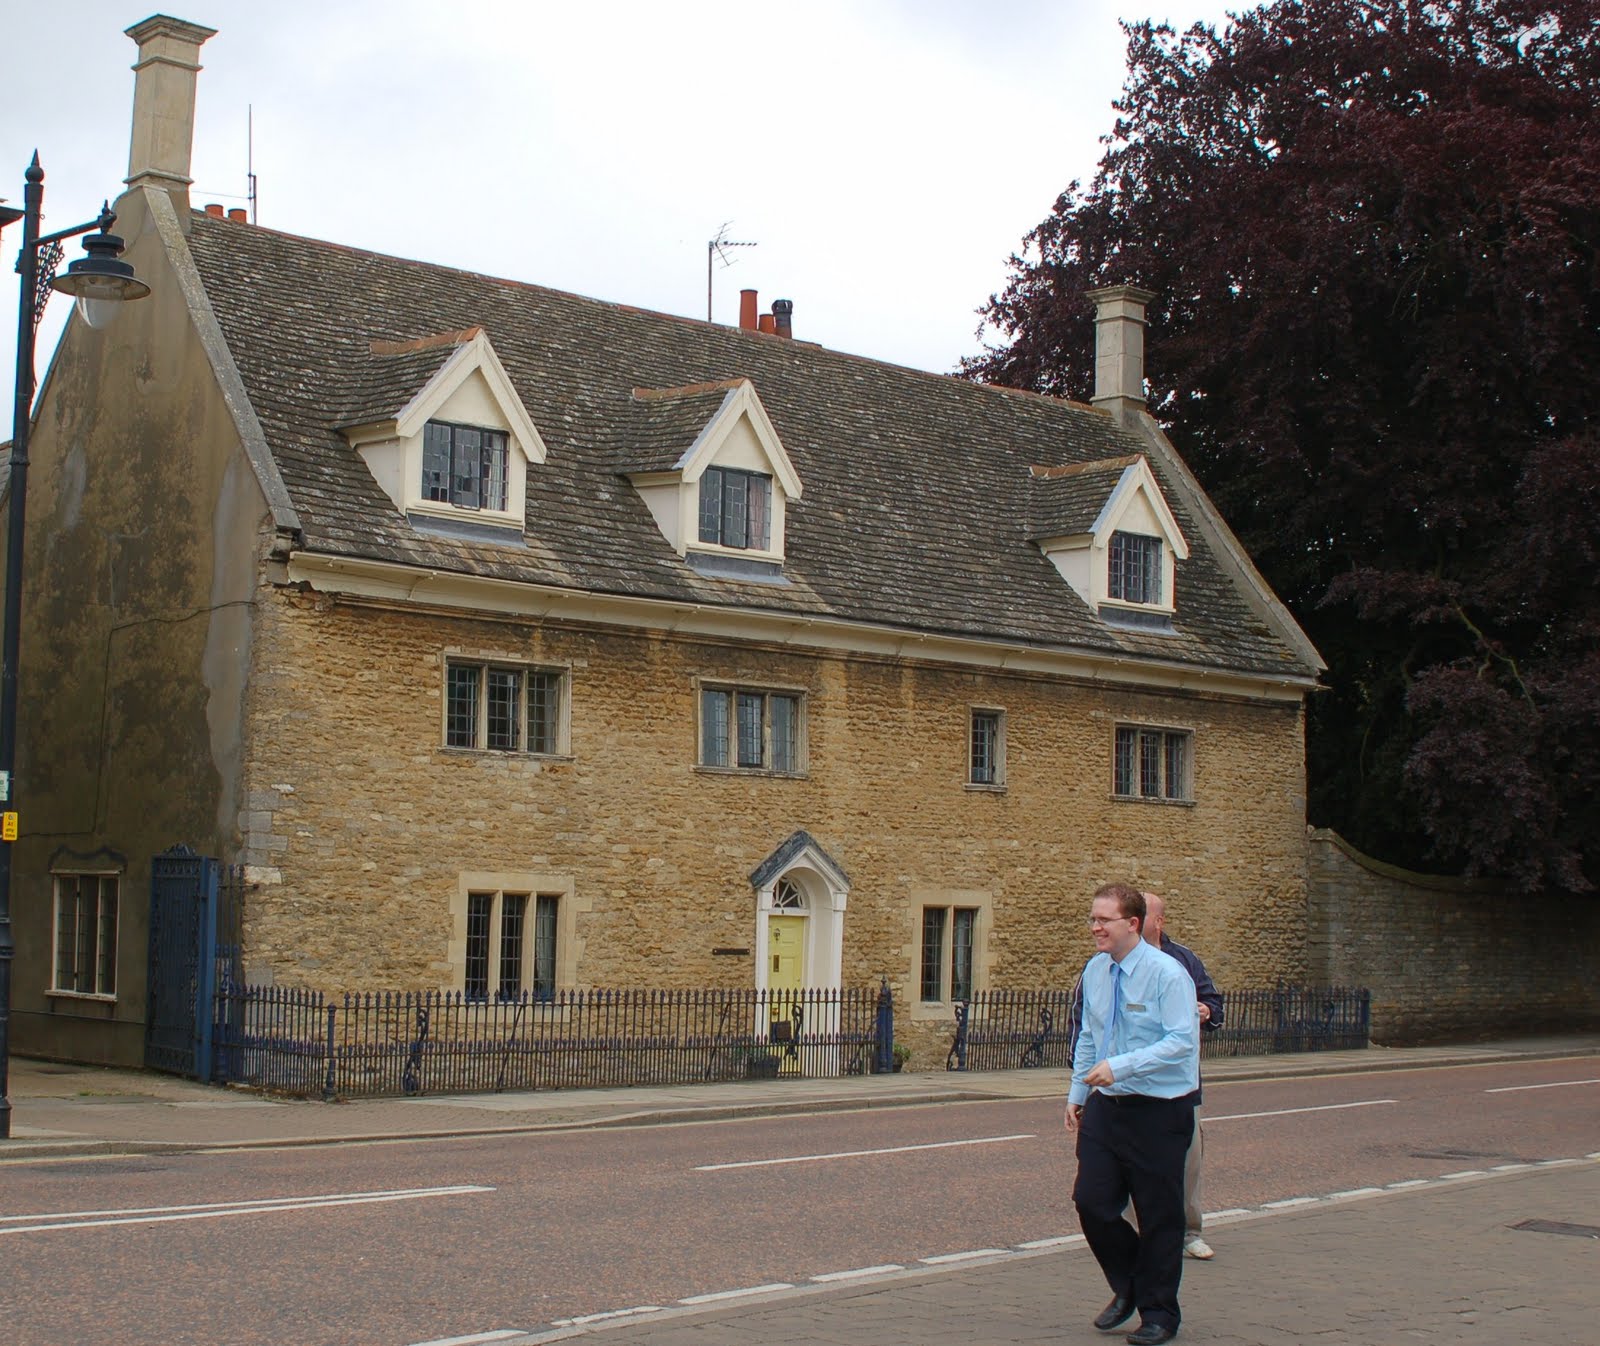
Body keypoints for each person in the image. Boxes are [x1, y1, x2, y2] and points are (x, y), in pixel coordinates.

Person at [1065, 882, 1199, 1346]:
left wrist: (1120, 1066)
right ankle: (1131, 1285)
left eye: (1104, 920)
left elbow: (1181, 1042)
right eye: (1093, 919)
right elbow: (1089, 1032)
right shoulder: (1096, 970)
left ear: (1133, 924)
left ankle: (1159, 1314)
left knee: (1159, 1215)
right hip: (1107, 1106)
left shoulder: (1168, 974)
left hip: (1160, 1111)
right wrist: (1078, 1091)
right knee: (1092, 1202)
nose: (1095, 927)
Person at [1140, 893, 1223, 1260]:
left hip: (1181, 1084)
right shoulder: (1112, 961)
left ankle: (1190, 1232)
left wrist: (1207, 1010)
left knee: (1188, 1161)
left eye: (1143, 914)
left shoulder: (1184, 960)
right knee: (1132, 1162)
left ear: (1159, 922)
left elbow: (1214, 1003)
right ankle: (1138, 1236)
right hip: (1132, 1082)